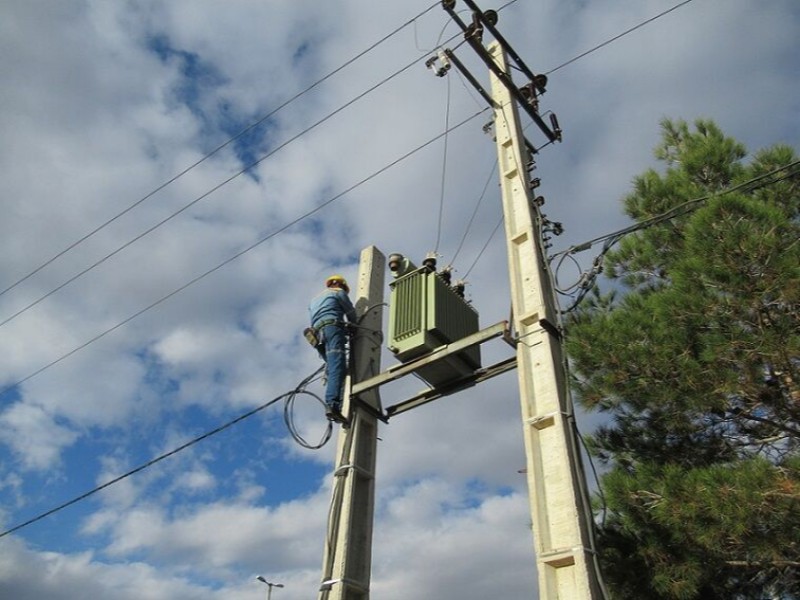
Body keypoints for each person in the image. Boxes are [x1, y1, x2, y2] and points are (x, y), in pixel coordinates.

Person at [307, 274, 357, 423]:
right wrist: (355, 327)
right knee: (337, 367)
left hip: (317, 331)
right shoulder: (338, 293)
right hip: (332, 327)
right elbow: (350, 312)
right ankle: (333, 405)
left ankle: (336, 399)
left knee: (332, 365)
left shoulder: (314, 300)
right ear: (341, 285)